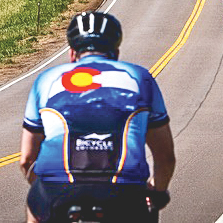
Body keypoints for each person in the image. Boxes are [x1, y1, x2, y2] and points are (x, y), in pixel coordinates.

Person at [20, 12, 175, 223]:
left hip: (59, 188)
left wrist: (45, 190)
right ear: (116, 53)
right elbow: (165, 157)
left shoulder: (46, 80)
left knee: (35, 209)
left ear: (72, 53)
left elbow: (27, 159)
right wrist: (158, 193)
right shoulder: (140, 78)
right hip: (124, 189)